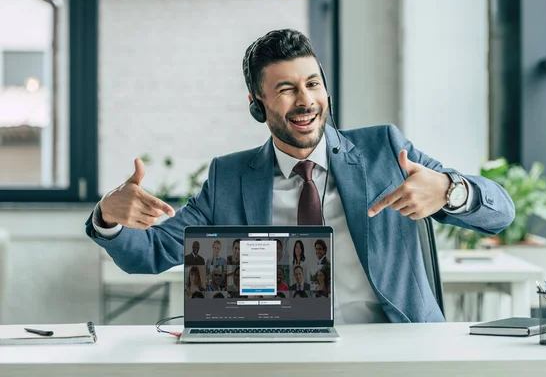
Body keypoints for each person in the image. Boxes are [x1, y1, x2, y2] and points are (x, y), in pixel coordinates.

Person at [85, 28, 515, 324]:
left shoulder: (384, 149)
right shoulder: (229, 177)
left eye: (312, 84)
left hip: (393, 344)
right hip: (279, 351)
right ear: (258, 105)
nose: (305, 100)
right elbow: (152, 251)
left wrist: (449, 190)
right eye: (286, 89)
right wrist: (107, 215)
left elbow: (501, 212)